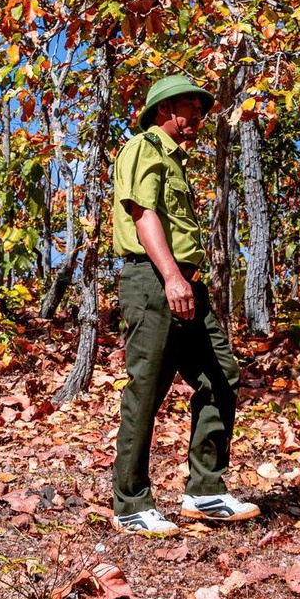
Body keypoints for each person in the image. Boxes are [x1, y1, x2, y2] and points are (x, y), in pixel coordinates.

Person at [110, 74, 258, 536]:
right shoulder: (143, 148)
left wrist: (184, 280)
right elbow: (143, 214)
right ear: (163, 110)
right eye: (190, 107)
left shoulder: (176, 160)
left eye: (200, 108)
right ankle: (131, 504)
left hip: (185, 284)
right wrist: (172, 277)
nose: (198, 115)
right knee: (147, 389)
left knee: (221, 375)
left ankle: (205, 491)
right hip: (155, 281)